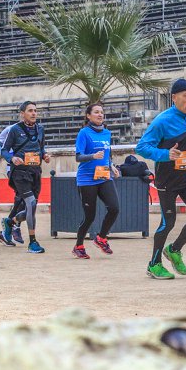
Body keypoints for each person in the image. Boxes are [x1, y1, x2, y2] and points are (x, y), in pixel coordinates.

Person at [136, 78, 186, 281]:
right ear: (174, 98)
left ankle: (174, 249)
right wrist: (166, 155)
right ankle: (154, 264)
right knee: (169, 222)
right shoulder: (162, 121)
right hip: (167, 180)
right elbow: (141, 147)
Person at [0, 100, 48, 254]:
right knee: (30, 203)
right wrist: (11, 158)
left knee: (31, 209)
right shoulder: (14, 130)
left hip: (35, 172)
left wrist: (45, 156)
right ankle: (33, 243)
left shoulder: (41, 129)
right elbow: (3, 150)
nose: (33, 113)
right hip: (19, 173)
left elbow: (41, 148)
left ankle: (9, 222)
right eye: (30, 111)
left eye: (35, 111)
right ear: (22, 113)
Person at [72, 102, 118, 259]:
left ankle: (101, 238)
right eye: (96, 112)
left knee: (114, 208)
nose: (100, 115)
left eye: (102, 112)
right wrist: (92, 156)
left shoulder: (107, 133)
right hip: (86, 180)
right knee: (89, 216)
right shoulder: (84, 133)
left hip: (104, 176)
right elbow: (78, 157)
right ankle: (78, 246)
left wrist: (112, 166)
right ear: (88, 116)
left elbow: (107, 155)